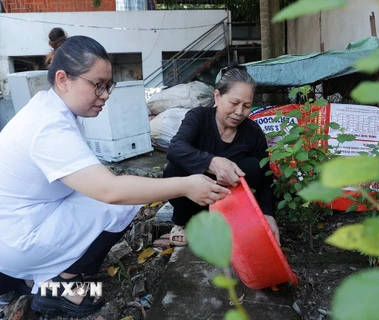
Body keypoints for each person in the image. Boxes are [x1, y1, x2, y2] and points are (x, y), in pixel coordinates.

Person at [0, 28, 230, 318]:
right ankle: (59, 286)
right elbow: (111, 191)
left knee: (116, 191)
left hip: (17, 226)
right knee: (123, 200)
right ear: (63, 79)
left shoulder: (49, 108)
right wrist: (185, 185)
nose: (105, 95)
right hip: (15, 238)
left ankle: (26, 279)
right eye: (98, 85)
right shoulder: (49, 126)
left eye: (109, 86)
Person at [163, 65, 280, 246]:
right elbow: (176, 148)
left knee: (254, 166)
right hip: (194, 199)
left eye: (247, 106)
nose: (239, 112)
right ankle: (183, 221)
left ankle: (227, 220)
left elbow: (265, 179)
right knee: (174, 168)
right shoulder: (198, 117)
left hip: (229, 201)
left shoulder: (253, 132)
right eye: (234, 103)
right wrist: (212, 162)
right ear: (217, 96)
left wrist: (268, 214)